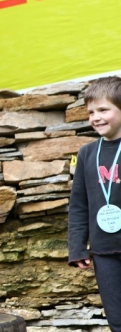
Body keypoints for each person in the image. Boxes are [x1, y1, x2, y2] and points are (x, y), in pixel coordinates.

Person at [69, 76, 121, 331]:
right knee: (117, 319)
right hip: (104, 251)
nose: (95, 117)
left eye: (103, 110)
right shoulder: (87, 153)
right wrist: (77, 247)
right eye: (91, 112)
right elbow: (78, 203)